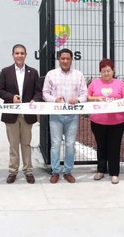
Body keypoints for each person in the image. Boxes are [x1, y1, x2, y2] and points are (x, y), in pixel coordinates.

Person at [0, 44, 43, 184]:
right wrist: (11, 97)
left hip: (27, 114)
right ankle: (13, 171)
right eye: (17, 53)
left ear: (26, 55)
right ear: (13, 55)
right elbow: (0, 90)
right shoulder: (6, 71)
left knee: (26, 143)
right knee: (13, 144)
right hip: (11, 114)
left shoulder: (33, 72)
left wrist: (34, 100)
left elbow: (38, 91)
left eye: (22, 53)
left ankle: (28, 171)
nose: (19, 55)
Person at [42, 48, 88, 184]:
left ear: (72, 60)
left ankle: (68, 171)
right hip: (56, 115)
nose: (65, 61)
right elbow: (45, 93)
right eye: (63, 58)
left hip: (72, 115)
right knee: (55, 144)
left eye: (68, 58)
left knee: (70, 144)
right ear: (58, 59)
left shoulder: (78, 75)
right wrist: (54, 99)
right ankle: (55, 171)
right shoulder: (51, 74)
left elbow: (84, 93)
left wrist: (78, 100)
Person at [87, 58, 124, 184]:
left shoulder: (120, 84)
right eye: (103, 71)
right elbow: (87, 97)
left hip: (117, 122)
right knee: (100, 146)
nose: (106, 73)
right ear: (100, 72)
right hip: (97, 122)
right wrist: (96, 99)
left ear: (113, 71)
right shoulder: (95, 83)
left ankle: (114, 173)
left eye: (108, 70)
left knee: (114, 147)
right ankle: (101, 170)